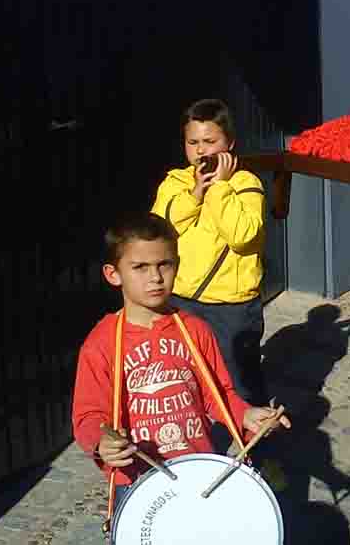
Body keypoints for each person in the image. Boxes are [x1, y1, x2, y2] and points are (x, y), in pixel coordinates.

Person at [71, 212, 288, 514]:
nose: (156, 277)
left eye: (165, 265)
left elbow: (218, 394)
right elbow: (88, 415)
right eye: (140, 267)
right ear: (113, 274)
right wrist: (102, 442)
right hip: (136, 480)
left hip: (197, 471)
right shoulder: (102, 343)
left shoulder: (194, 329)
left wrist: (246, 415)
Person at [151, 98, 269, 405]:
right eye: (193, 142)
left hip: (230, 307)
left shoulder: (245, 184)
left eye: (209, 141)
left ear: (229, 143)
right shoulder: (176, 182)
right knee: (185, 375)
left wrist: (219, 187)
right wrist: (195, 195)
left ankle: (253, 446)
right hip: (182, 298)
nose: (201, 150)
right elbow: (158, 231)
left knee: (240, 382)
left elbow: (243, 236)